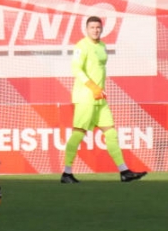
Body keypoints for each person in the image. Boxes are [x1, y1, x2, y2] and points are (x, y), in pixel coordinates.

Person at [61, 15, 147, 184]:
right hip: (85, 96)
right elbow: (76, 69)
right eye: (92, 27)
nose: (95, 30)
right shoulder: (81, 46)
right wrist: (92, 87)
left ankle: (124, 172)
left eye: (98, 27)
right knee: (78, 133)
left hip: (100, 97)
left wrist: (98, 90)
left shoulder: (102, 46)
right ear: (86, 29)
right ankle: (66, 173)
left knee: (111, 132)